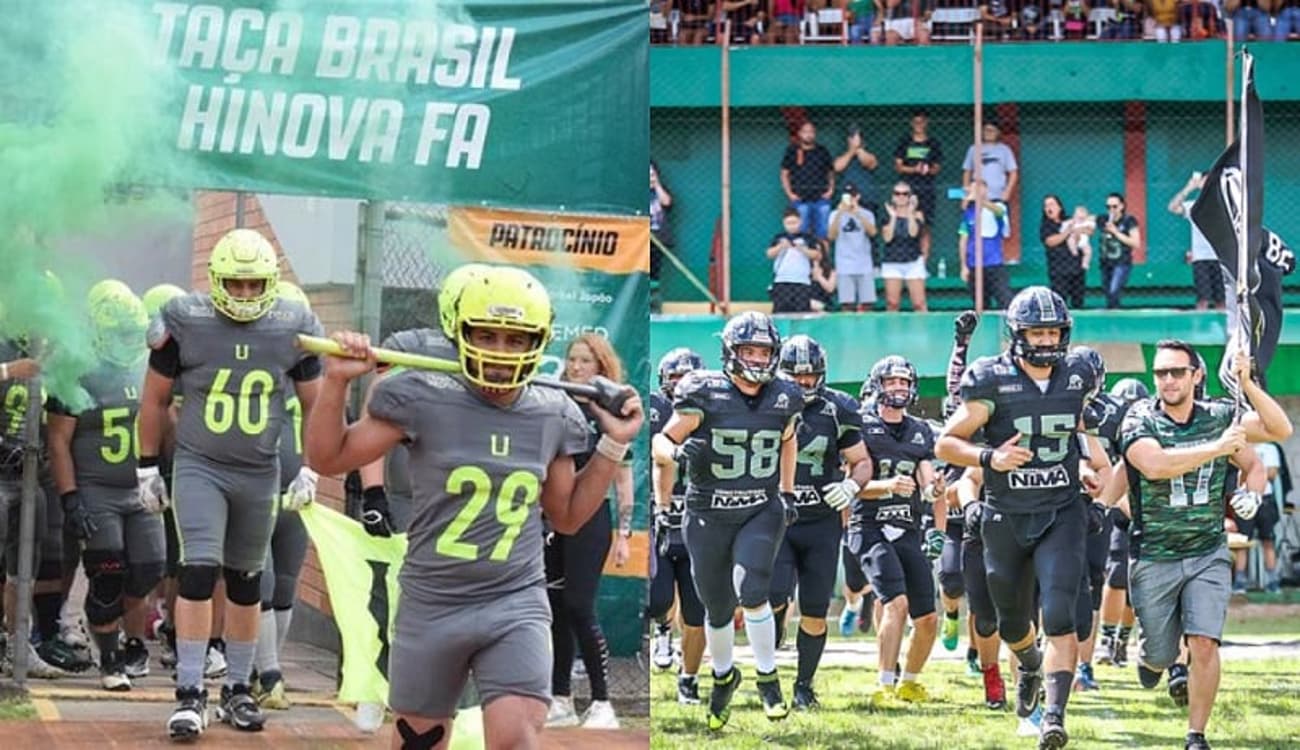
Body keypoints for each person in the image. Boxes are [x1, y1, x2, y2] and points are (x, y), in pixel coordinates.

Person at [306, 265, 642, 750]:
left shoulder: (553, 409)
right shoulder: (424, 393)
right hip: (432, 599)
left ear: (538, 341)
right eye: (486, 335)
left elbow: (566, 516)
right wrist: (336, 383)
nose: (500, 352)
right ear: (458, 333)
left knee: (514, 736)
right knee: (419, 741)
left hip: (514, 599)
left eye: (515, 338)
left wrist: (612, 447)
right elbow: (327, 456)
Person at [138, 229, 325, 740]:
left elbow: (318, 405)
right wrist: (147, 466)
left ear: (271, 283)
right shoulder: (185, 319)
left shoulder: (294, 325)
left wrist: (312, 467)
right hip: (202, 465)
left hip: (259, 470)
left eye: (254, 285)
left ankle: (238, 689)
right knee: (197, 571)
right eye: (235, 284)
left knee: (246, 583)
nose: (244, 294)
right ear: (217, 281)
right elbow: (153, 400)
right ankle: (190, 692)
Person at [937, 286, 1100, 750]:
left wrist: (1088, 463)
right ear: (1018, 333)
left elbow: (1078, 428)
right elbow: (946, 444)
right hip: (1005, 515)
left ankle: (1053, 716)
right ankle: (1028, 663)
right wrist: (989, 456)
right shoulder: (991, 379)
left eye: (1053, 332)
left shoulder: (1077, 374)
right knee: (1010, 623)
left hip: (1060, 511)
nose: (1047, 341)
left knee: (1061, 613)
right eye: (1038, 332)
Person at [1118, 340, 1291, 750]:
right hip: (1155, 554)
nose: (1169, 380)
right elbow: (1156, 466)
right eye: (1161, 373)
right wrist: (1218, 448)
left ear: (1197, 375)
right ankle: (1152, 656)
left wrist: (1247, 385)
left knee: (1203, 641)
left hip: (1207, 551)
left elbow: (1277, 434)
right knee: (1160, 656)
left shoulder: (1218, 415)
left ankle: (1196, 735)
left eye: (1178, 371)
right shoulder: (1140, 419)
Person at [651, 311, 804, 731]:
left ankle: (768, 677)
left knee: (751, 588)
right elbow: (661, 442)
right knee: (716, 607)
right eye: (749, 350)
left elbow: (787, 440)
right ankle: (723, 676)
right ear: (730, 352)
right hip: (707, 513)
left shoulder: (785, 396)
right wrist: (678, 454)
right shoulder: (704, 392)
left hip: (759, 506)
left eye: (764, 351)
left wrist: (787, 491)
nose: (757, 359)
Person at [47, 288, 162, 691]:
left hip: (139, 487)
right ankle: (110, 656)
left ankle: (122, 636)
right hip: (97, 488)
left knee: (150, 568)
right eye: (118, 331)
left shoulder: (147, 367)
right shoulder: (75, 368)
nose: (125, 339)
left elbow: (164, 420)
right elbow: (58, 440)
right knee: (108, 573)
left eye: (131, 331)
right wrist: (70, 495)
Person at [770, 335, 871, 710]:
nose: (804, 383)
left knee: (814, 608)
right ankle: (775, 631)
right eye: (796, 375)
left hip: (820, 523)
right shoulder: (766, 403)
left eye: (811, 375)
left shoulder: (837, 408)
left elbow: (861, 461)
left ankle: (803, 685)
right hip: (778, 518)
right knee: (774, 594)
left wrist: (851, 483)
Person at [545, 334, 633, 730]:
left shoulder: (610, 411)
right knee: (555, 610)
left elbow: (623, 478)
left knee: (579, 605)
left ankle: (602, 703)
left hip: (593, 521)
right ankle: (559, 699)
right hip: (552, 520)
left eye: (585, 361)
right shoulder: (555, 404)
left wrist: (625, 535)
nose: (576, 367)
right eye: (572, 359)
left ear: (601, 367)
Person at [852, 355, 946, 707]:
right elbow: (850, 485)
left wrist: (934, 490)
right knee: (896, 603)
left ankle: (909, 681)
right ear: (878, 385)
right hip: (870, 525)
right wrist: (887, 485)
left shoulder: (921, 430)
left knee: (928, 617)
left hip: (907, 529)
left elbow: (929, 482)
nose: (899, 388)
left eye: (904, 382)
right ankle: (884, 682)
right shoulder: (861, 426)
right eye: (892, 382)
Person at [249, 281, 317, 710]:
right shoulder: (254, 370)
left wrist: (311, 472)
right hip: (258, 488)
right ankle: (269, 673)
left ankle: (265, 669)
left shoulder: (312, 377)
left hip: (295, 494)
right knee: (264, 582)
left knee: (287, 585)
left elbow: (326, 430)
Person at [648, 348, 707, 705]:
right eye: (675, 377)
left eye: (688, 377)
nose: (681, 384)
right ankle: (663, 628)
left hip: (700, 518)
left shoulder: (713, 410)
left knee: (697, 611)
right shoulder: (653, 410)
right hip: (662, 515)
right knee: (657, 599)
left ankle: (689, 679)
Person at [1097, 193, 1141, 310]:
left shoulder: (1128, 221)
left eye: (1114, 206)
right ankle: (1112, 315)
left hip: (1121, 262)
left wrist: (1116, 232)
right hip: (1105, 262)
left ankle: (1115, 316)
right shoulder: (1103, 219)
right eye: (1108, 207)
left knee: (1113, 291)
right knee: (1108, 294)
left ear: (1122, 206)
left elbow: (1136, 243)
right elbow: (1088, 222)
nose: (1111, 210)